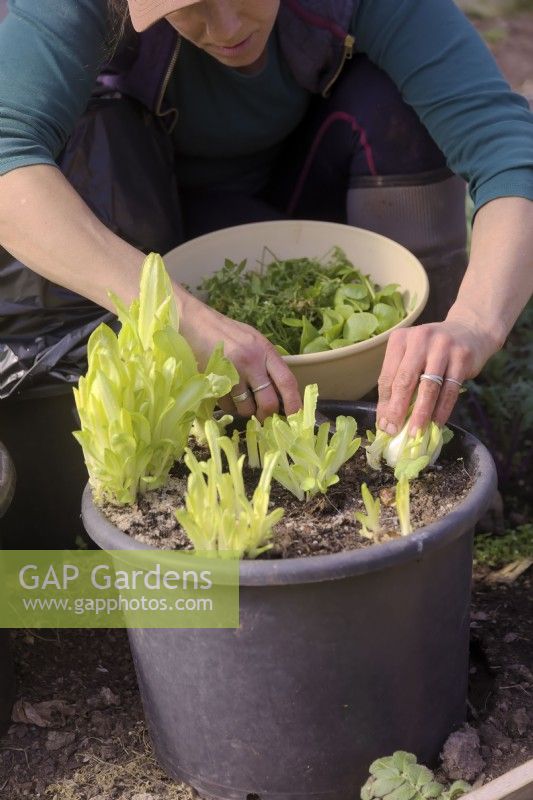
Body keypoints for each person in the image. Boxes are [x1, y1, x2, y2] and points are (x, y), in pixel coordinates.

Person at [0, 0, 532, 440]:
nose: (227, 27)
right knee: (87, 139)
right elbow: (6, 148)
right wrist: (170, 309)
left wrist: (474, 324)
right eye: (191, 6)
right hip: (152, 225)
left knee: (392, 104)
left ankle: (418, 398)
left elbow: (508, 151)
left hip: (309, 198)